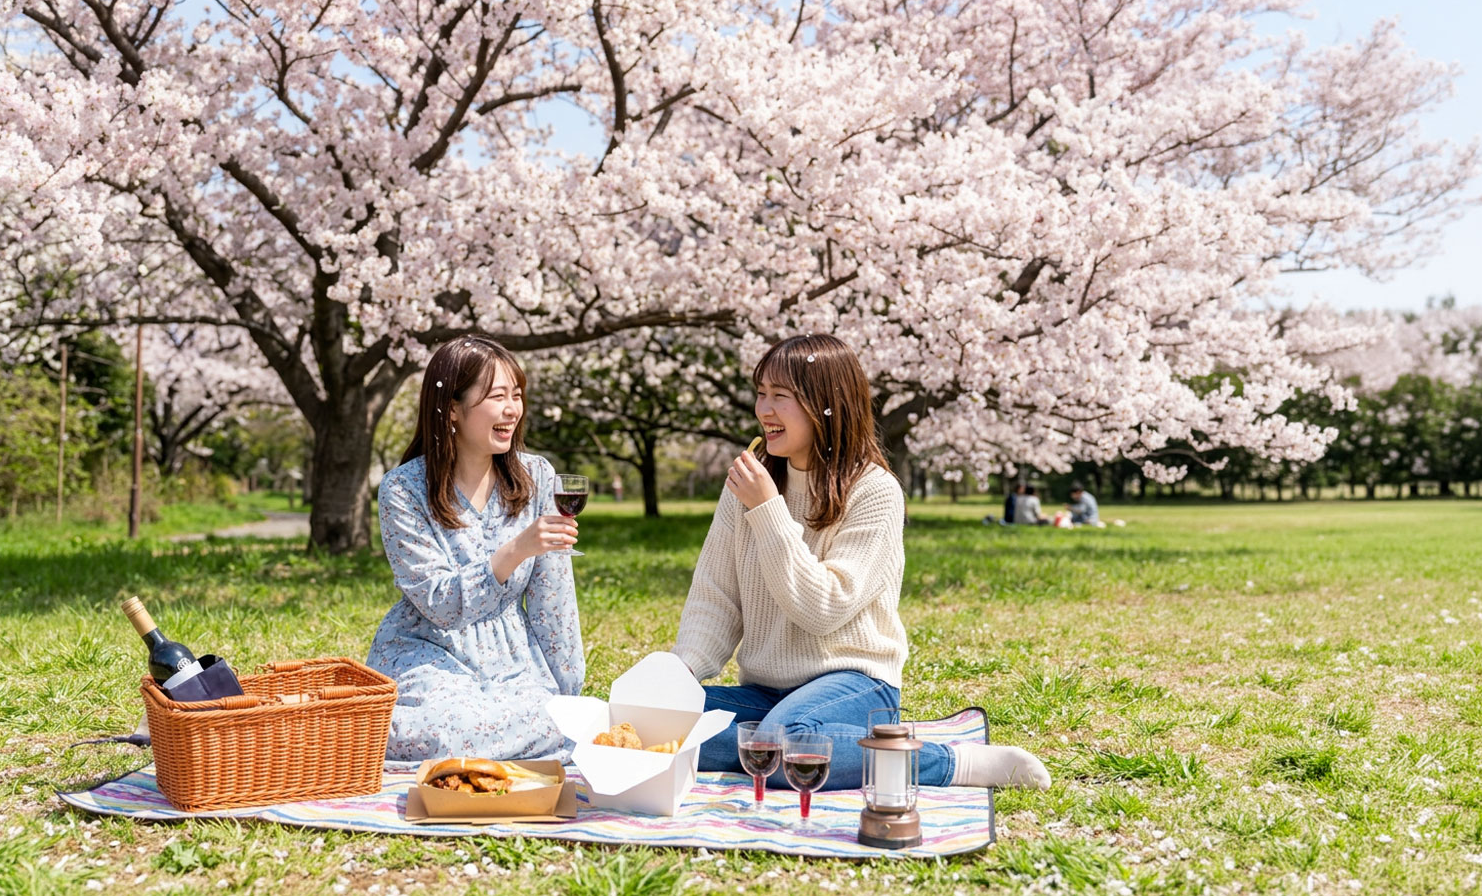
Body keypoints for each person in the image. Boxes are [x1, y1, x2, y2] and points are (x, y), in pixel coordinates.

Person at [670, 334, 1050, 791]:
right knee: (655, 720)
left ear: (825, 404)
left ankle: (952, 763)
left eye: (780, 396)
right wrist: (680, 673)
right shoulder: (748, 485)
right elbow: (716, 596)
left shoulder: (874, 491)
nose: (764, 410)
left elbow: (823, 609)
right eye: (761, 393)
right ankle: (826, 747)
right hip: (766, 691)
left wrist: (768, 510)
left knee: (785, 743)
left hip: (854, 681)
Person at [367, 337, 585, 762]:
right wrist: (515, 550)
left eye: (516, 395)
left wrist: (568, 692)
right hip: (429, 650)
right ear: (452, 408)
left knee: (558, 721)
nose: (512, 409)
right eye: (497, 397)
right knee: (441, 730)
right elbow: (439, 604)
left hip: (513, 657)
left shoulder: (537, 476)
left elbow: (553, 601)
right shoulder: (403, 489)